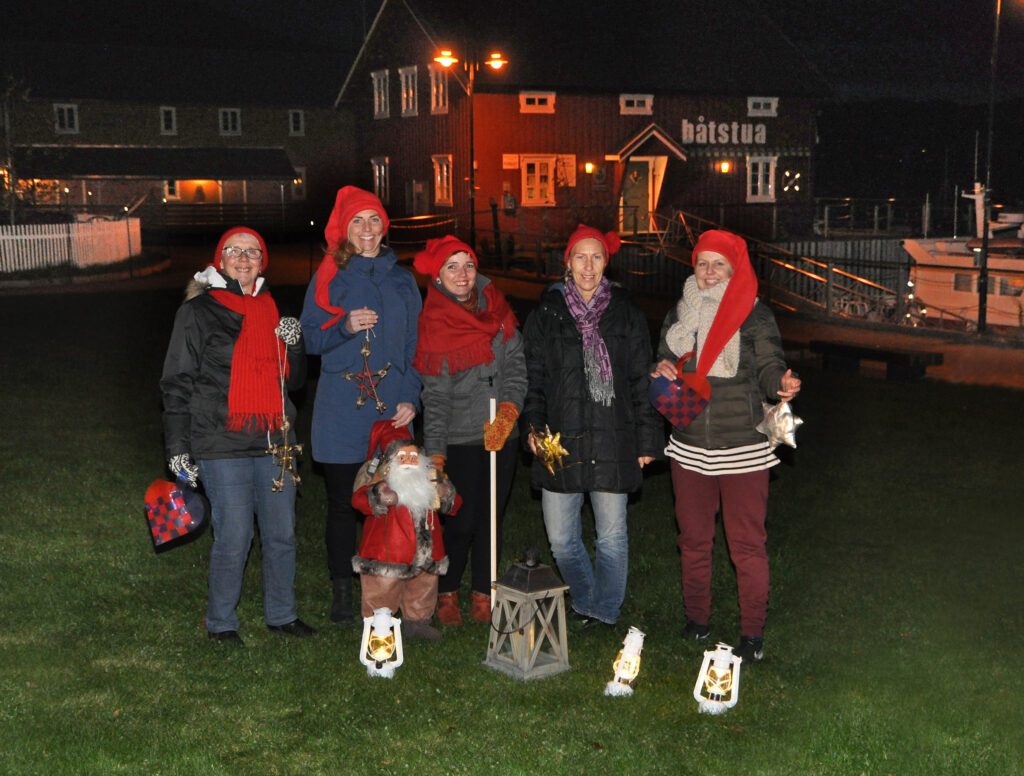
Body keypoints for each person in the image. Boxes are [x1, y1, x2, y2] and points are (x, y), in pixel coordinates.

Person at [652, 228, 801, 663]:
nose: (710, 272)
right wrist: (660, 364)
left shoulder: (754, 315)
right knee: (694, 541)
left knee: (747, 546)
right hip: (690, 446)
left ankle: (752, 633)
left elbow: (770, 364)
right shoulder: (682, 311)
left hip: (743, 449)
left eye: (720, 264)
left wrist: (782, 383)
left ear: (735, 270)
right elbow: (664, 354)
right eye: (703, 263)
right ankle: (697, 621)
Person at [161, 226, 312, 644]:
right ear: (219, 260)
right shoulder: (197, 312)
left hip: (275, 438)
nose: (244, 259)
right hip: (221, 440)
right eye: (234, 251)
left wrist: (295, 347)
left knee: (281, 533)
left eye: (252, 252)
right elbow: (176, 383)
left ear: (262, 262)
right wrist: (178, 446)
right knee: (235, 535)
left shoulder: (273, 311)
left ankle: (282, 614)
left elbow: (294, 384)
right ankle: (222, 622)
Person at [522, 224, 663, 628]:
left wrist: (647, 439)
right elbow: (533, 378)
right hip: (558, 440)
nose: (588, 265)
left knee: (611, 538)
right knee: (562, 539)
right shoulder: (546, 314)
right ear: (567, 262)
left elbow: (641, 378)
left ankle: (603, 611)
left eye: (596, 256)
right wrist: (532, 428)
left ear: (606, 262)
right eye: (580, 257)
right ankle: (588, 601)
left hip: (613, 437)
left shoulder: (626, 313)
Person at [300, 186, 422, 623]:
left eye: (374, 220)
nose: (367, 229)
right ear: (344, 229)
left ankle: (387, 593)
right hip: (341, 406)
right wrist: (344, 327)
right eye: (358, 221)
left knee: (393, 500)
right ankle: (342, 595)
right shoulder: (330, 273)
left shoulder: (402, 278)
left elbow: (415, 344)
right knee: (341, 503)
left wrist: (412, 395)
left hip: (391, 405)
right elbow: (308, 337)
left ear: (384, 227)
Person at [412, 236, 527, 626]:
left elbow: (515, 368)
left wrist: (508, 414)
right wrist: (437, 454)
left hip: (501, 435)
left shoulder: (498, 308)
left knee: (492, 518)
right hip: (461, 439)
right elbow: (436, 398)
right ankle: (447, 593)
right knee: (460, 520)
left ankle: (485, 590)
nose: (463, 275)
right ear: (439, 276)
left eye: (468, 265)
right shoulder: (434, 322)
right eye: (452, 266)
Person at [351, 424, 461, 641]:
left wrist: (445, 493)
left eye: (412, 454)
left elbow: (455, 505)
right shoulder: (375, 476)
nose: (408, 461)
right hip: (386, 552)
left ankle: (418, 621)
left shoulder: (431, 476)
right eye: (401, 455)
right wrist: (378, 496)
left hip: (427, 551)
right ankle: (378, 626)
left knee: (423, 588)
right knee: (382, 590)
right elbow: (358, 499)